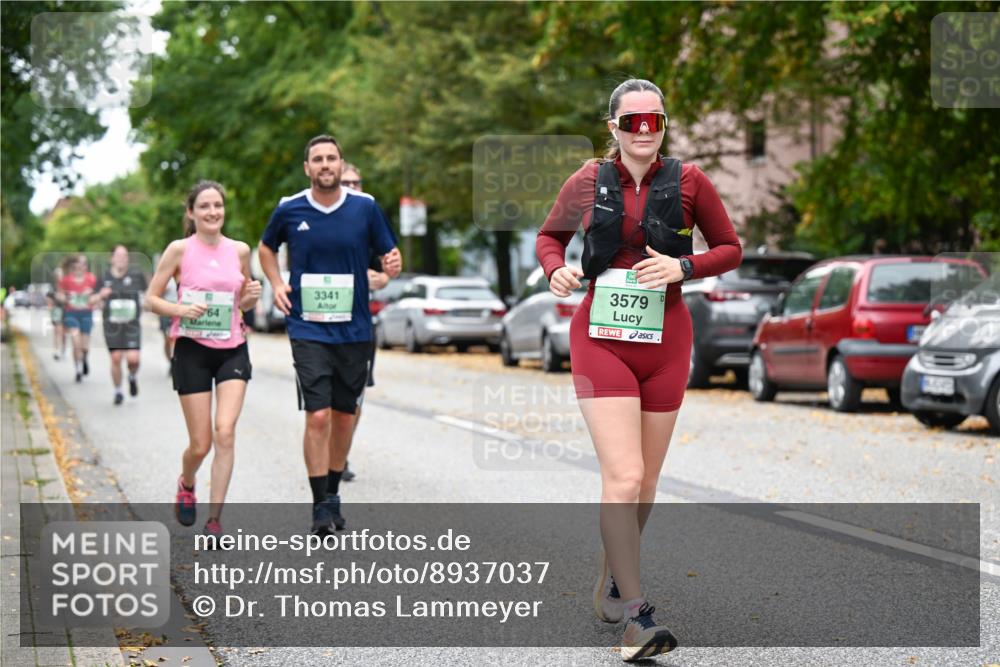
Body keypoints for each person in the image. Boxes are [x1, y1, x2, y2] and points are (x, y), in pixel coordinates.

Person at [536, 78, 742, 661]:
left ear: (664, 124)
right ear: (614, 127)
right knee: (623, 476)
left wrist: (684, 267)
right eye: (632, 122)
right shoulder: (587, 180)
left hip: (667, 342)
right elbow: (549, 238)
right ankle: (636, 618)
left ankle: (612, 579)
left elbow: (729, 248)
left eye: (652, 121)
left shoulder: (690, 181)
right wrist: (556, 269)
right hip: (601, 338)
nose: (643, 131)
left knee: (645, 483)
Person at [258, 135, 401, 536]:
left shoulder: (365, 208)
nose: (325, 165)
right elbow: (266, 248)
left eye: (331, 158)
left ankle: (334, 491)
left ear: (340, 165)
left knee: (343, 417)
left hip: (354, 329)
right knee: (317, 415)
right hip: (307, 326)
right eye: (317, 159)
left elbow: (391, 258)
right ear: (307, 167)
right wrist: (277, 283)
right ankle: (320, 505)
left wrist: (393, 265)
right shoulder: (290, 208)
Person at [146, 181, 261, 539]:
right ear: (192, 212)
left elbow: (240, 303)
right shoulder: (179, 250)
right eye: (205, 206)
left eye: (218, 206)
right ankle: (187, 480)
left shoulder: (240, 251)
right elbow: (152, 298)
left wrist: (252, 297)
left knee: (224, 432)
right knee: (201, 444)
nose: (213, 212)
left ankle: (214, 521)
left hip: (232, 348)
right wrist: (181, 309)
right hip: (192, 350)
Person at [339, 162, 394, 483]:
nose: (353, 187)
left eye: (357, 182)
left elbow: (387, 269)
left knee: (355, 395)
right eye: (347, 182)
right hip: (321, 326)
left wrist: (382, 278)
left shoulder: (369, 221)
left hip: (361, 324)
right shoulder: (317, 218)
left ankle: (341, 452)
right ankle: (327, 452)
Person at [97, 245, 148, 405]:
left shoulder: (136, 275)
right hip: (112, 325)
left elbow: (148, 294)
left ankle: (132, 376)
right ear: (111, 258)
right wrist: (100, 295)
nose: (121, 259)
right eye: (118, 256)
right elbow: (91, 300)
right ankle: (118, 391)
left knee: (133, 359)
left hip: (132, 325)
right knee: (116, 357)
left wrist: (148, 304)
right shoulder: (103, 277)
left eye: (125, 256)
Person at [58, 255, 98, 383]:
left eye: (84, 264)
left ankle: (84, 358)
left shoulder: (91, 279)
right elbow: (59, 295)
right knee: (76, 343)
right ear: (74, 265)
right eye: (79, 264)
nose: (81, 266)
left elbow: (97, 295)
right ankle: (78, 370)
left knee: (84, 346)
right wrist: (66, 298)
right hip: (72, 313)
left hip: (86, 313)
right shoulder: (66, 280)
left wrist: (91, 295)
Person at [46, 268, 67, 360]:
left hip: (66, 310)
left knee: (63, 332)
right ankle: (56, 350)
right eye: (58, 276)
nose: (59, 277)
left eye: (61, 275)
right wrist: (50, 308)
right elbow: (49, 299)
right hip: (56, 311)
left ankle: (63, 350)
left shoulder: (66, 287)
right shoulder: (53, 287)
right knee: (57, 330)